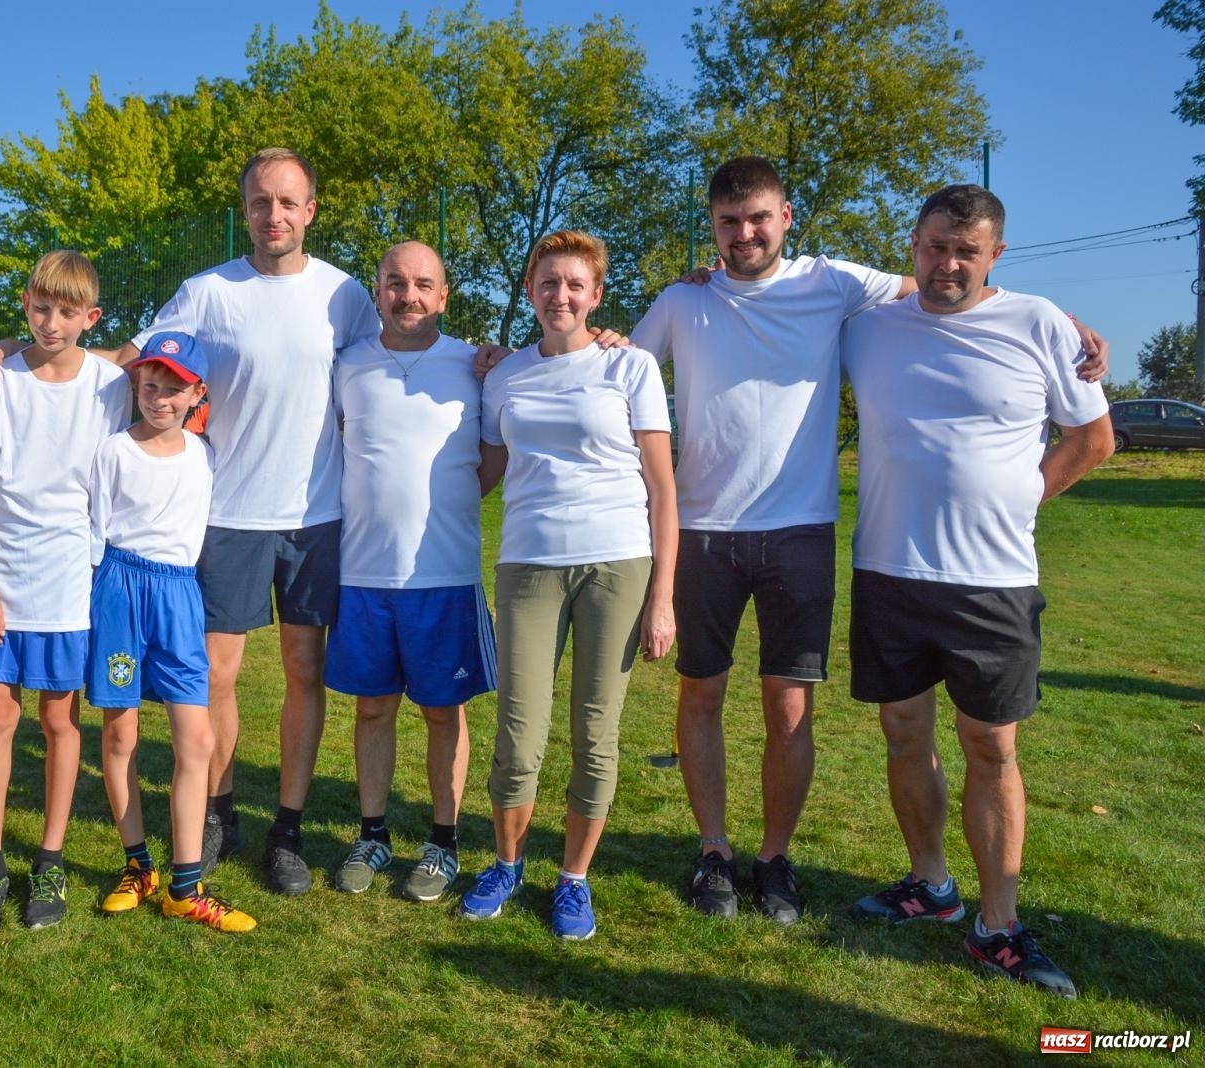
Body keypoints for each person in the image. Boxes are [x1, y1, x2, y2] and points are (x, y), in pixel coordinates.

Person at [625, 156, 1109, 926]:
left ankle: (775, 859)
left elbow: (950, 289)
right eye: (727, 222)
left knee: (790, 709)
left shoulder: (839, 285)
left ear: (788, 219)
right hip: (707, 533)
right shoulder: (687, 301)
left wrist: (1062, 328)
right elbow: (619, 370)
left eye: (759, 219)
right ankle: (714, 850)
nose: (744, 235)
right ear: (712, 227)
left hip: (803, 533)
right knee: (703, 695)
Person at [0, 148, 378, 895]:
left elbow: (393, 358)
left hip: (317, 515)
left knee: (304, 671)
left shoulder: (345, 296)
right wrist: (16, 357)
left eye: (288, 202)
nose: (274, 215)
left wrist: (481, 359)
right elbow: (123, 361)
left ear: (311, 210)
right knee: (215, 678)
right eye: (260, 202)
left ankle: (287, 829)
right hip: (228, 513)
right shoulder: (208, 291)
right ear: (246, 209)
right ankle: (218, 813)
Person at [841, 184, 1111, 999]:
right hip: (889, 570)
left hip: (992, 583)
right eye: (932, 247)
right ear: (913, 246)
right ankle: (932, 886)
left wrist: (1022, 498)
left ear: (996, 254)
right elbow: (780, 302)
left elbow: (1093, 439)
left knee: (992, 748)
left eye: (966, 251)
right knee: (901, 733)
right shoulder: (869, 328)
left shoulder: (1039, 323)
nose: (946, 264)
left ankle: (998, 925)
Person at [462, 230, 677, 940]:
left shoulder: (630, 366)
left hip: (617, 563)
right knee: (518, 734)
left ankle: (574, 879)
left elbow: (662, 489)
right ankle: (507, 862)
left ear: (596, 295)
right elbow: (485, 473)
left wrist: (664, 597)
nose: (561, 296)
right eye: (547, 283)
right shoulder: (503, 376)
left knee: (596, 733)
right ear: (529, 291)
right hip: (526, 564)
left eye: (575, 285)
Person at [0, 250, 130, 934]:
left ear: (90, 318)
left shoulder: (111, 384)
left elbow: (174, 369)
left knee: (60, 721)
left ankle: (49, 858)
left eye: (67, 312)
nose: (50, 323)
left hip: (71, 584)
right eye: (40, 307)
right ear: (25, 302)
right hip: (5, 579)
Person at [325, 241, 497, 902]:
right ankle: (372, 834)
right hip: (363, 576)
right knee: (372, 710)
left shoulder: (476, 367)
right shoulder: (346, 365)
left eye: (424, 283)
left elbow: (491, 457)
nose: (409, 296)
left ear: (444, 295)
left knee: (442, 714)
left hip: (444, 579)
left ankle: (443, 842)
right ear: (377, 290)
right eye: (395, 282)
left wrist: (444, 504)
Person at [86, 331, 256, 932]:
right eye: (150, 384)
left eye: (174, 388)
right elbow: (95, 532)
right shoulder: (112, 452)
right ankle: (138, 866)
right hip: (121, 594)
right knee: (120, 736)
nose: (160, 397)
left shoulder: (206, 454)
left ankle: (187, 886)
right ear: (137, 384)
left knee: (197, 740)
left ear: (196, 395)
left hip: (180, 596)